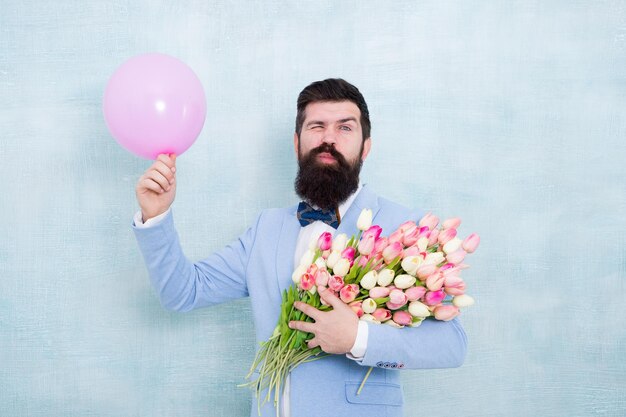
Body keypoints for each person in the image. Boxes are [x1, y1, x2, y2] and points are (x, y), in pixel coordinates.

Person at [133, 79, 467, 417]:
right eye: (316, 126)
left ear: (366, 146)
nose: (329, 138)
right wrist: (156, 216)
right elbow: (183, 291)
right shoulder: (266, 229)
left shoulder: (407, 229)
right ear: (297, 143)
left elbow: (451, 344)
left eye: (345, 128)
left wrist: (358, 338)